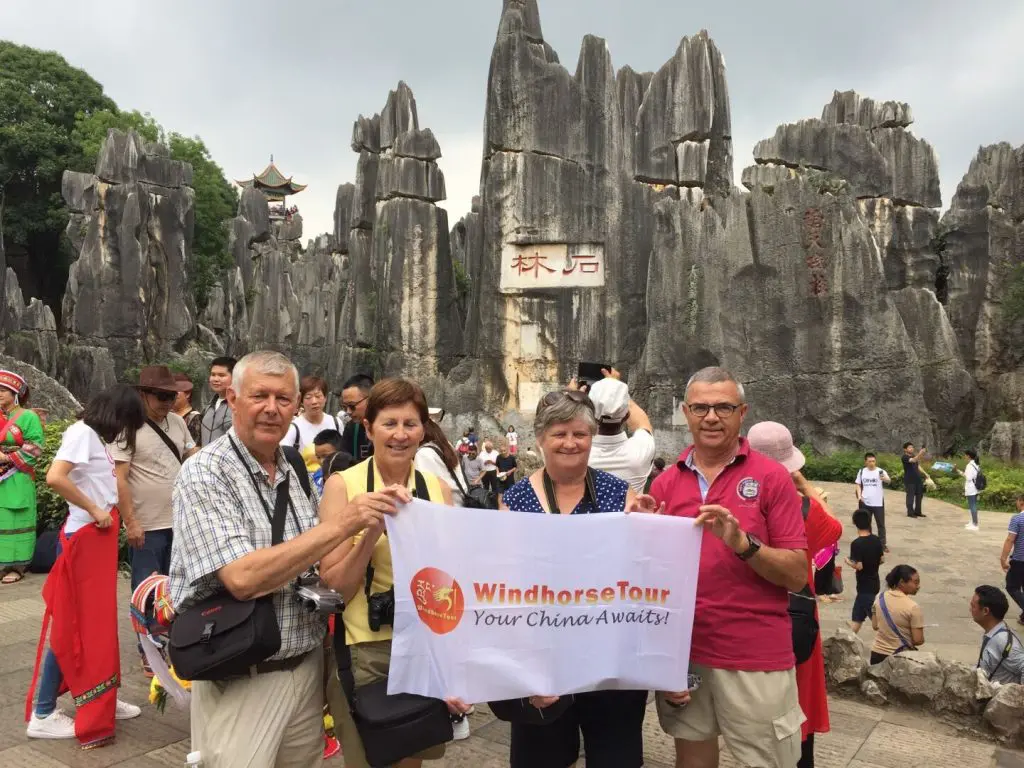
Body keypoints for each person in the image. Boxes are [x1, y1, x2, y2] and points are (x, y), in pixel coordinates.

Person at [169, 351, 389, 767]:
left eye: (283, 399)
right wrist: (343, 525)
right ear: (232, 399)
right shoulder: (205, 474)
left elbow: (313, 567)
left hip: (304, 668)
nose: (272, 409)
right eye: (260, 396)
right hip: (240, 676)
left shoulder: (293, 469)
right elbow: (243, 578)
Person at [650, 367, 808, 768]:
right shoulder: (665, 484)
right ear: (685, 412)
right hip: (687, 653)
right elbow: (650, 579)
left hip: (754, 652)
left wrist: (744, 544)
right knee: (692, 758)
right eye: (700, 407)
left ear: (742, 412)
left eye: (723, 406)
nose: (711, 417)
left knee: (768, 761)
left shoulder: (771, 478)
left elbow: (797, 574)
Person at [500, 389, 655, 768]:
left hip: (609, 660)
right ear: (540, 439)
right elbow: (503, 586)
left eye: (580, 434)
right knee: (541, 758)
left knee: (615, 758)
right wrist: (524, 669)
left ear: (592, 438)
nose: (570, 443)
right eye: (559, 433)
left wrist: (649, 531)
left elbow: (644, 576)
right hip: (542, 658)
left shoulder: (622, 495)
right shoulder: (513, 500)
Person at [319, 378, 468, 767]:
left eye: (410, 424)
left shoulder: (437, 488)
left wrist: (453, 663)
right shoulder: (343, 486)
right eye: (389, 423)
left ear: (424, 430)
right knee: (372, 757)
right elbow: (334, 588)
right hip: (366, 647)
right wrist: (370, 534)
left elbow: (449, 581)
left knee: (411, 758)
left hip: (423, 646)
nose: (400, 435)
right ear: (368, 428)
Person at [26, 385, 147, 744]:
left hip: (99, 535)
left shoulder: (97, 439)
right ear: (116, 414)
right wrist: (95, 509)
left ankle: (100, 694)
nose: (126, 431)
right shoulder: (82, 434)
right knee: (72, 625)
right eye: (127, 422)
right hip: (86, 536)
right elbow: (55, 477)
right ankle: (43, 711)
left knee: (95, 624)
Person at [747, 421, 840, 768]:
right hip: (796, 617)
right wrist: (805, 487)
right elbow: (834, 530)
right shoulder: (804, 508)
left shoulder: (738, 502)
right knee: (798, 700)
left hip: (749, 614)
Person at [111, 366, 197, 674]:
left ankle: (174, 640)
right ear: (143, 395)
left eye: (172, 396)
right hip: (147, 524)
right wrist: (130, 521)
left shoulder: (177, 422)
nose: (167, 402)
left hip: (180, 521)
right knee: (147, 589)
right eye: (160, 396)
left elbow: (193, 456)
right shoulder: (127, 427)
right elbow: (119, 478)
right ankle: (148, 648)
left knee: (178, 585)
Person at [0, 370, 43, 585]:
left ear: (15, 393)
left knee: (17, 519)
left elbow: (35, 448)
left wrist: (5, 457)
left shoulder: (28, 417)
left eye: (3, 390)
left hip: (17, 476)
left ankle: (17, 567)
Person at [584, 369, 656, 494]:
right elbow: (642, 422)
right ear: (626, 416)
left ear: (589, 413)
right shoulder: (640, 451)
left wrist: (570, 395)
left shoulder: (577, 454)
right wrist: (616, 390)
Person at [870, 565, 924, 664]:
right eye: (915, 582)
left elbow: (875, 625)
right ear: (902, 582)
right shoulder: (913, 607)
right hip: (900, 658)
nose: (918, 586)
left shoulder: (879, 597)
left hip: (877, 654)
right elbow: (918, 640)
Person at [971, 585, 1024, 685]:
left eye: (973, 606)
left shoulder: (1002, 640)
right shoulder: (992, 633)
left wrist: (1018, 696)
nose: (970, 609)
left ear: (985, 611)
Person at [415, 410, 469, 506]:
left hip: (447, 509)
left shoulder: (424, 453)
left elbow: (425, 493)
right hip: (461, 504)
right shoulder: (445, 446)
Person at [845, 509, 885, 634]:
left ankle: (891, 638)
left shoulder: (857, 544)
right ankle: (848, 640)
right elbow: (882, 560)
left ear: (855, 523)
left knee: (878, 624)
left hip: (864, 586)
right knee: (857, 618)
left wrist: (848, 562)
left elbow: (859, 566)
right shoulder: (876, 539)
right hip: (874, 582)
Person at [282, 375, 343, 452]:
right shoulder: (294, 428)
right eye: (308, 397)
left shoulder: (336, 423)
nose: (314, 401)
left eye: (318, 396)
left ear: (325, 398)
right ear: (301, 401)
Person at [855, 452, 890, 552]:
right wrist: (859, 496)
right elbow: (858, 484)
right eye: (869, 461)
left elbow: (889, 481)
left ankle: (882, 545)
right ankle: (867, 543)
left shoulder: (880, 471)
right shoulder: (862, 471)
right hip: (865, 501)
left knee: (881, 524)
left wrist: (885, 478)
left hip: (878, 502)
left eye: (873, 461)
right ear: (865, 462)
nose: (872, 463)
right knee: (865, 523)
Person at [200, 356, 236, 445]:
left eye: (221, 375)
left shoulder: (240, 406)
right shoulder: (208, 407)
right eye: (213, 374)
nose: (215, 379)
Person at [339, 374, 374, 461]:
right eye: (344, 407)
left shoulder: (389, 427)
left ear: (370, 400)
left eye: (352, 406)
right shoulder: (352, 428)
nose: (348, 412)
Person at [1001, 494, 1024, 625]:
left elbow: (1010, 539)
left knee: (1012, 586)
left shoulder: (1018, 519)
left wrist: (1003, 558)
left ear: (1021, 502)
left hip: (1020, 559)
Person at [955, 449, 982, 531]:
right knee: (972, 505)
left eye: (965, 455)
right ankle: (973, 522)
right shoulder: (975, 464)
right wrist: (958, 471)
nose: (964, 456)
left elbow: (968, 477)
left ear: (968, 456)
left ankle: (975, 524)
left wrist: (961, 472)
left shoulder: (970, 465)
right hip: (975, 488)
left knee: (972, 505)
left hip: (971, 488)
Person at [172, 372, 202, 445]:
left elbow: (193, 447)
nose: (172, 395)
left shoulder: (195, 418)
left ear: (188, 394)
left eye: (176, 391)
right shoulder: (166, 415)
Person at [901, 442, 927, 519]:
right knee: (910, 496)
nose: (912, 448)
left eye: (912, 447)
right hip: (909, 480)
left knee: (920, 496)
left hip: (918, 479)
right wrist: (920, 453)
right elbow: (913, 460)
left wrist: (925, 473)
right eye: (909, 447)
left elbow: (918, 465)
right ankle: (910, 513)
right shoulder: (904, 457)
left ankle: (918, 512)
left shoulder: (913, 455)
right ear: (905, 449)